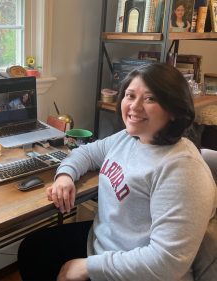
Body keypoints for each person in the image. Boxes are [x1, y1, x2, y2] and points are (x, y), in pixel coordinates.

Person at [17, 63, 216, 280]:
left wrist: (87, 267)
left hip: (138, 270)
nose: (135, 107)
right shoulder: (131, 137)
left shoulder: (183, 171)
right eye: (130, 96)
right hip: (102, 245)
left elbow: (166, 263)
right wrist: (65, 176)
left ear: (174, 110)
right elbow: (88, 153)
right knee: (33, 249)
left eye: (150, 99)